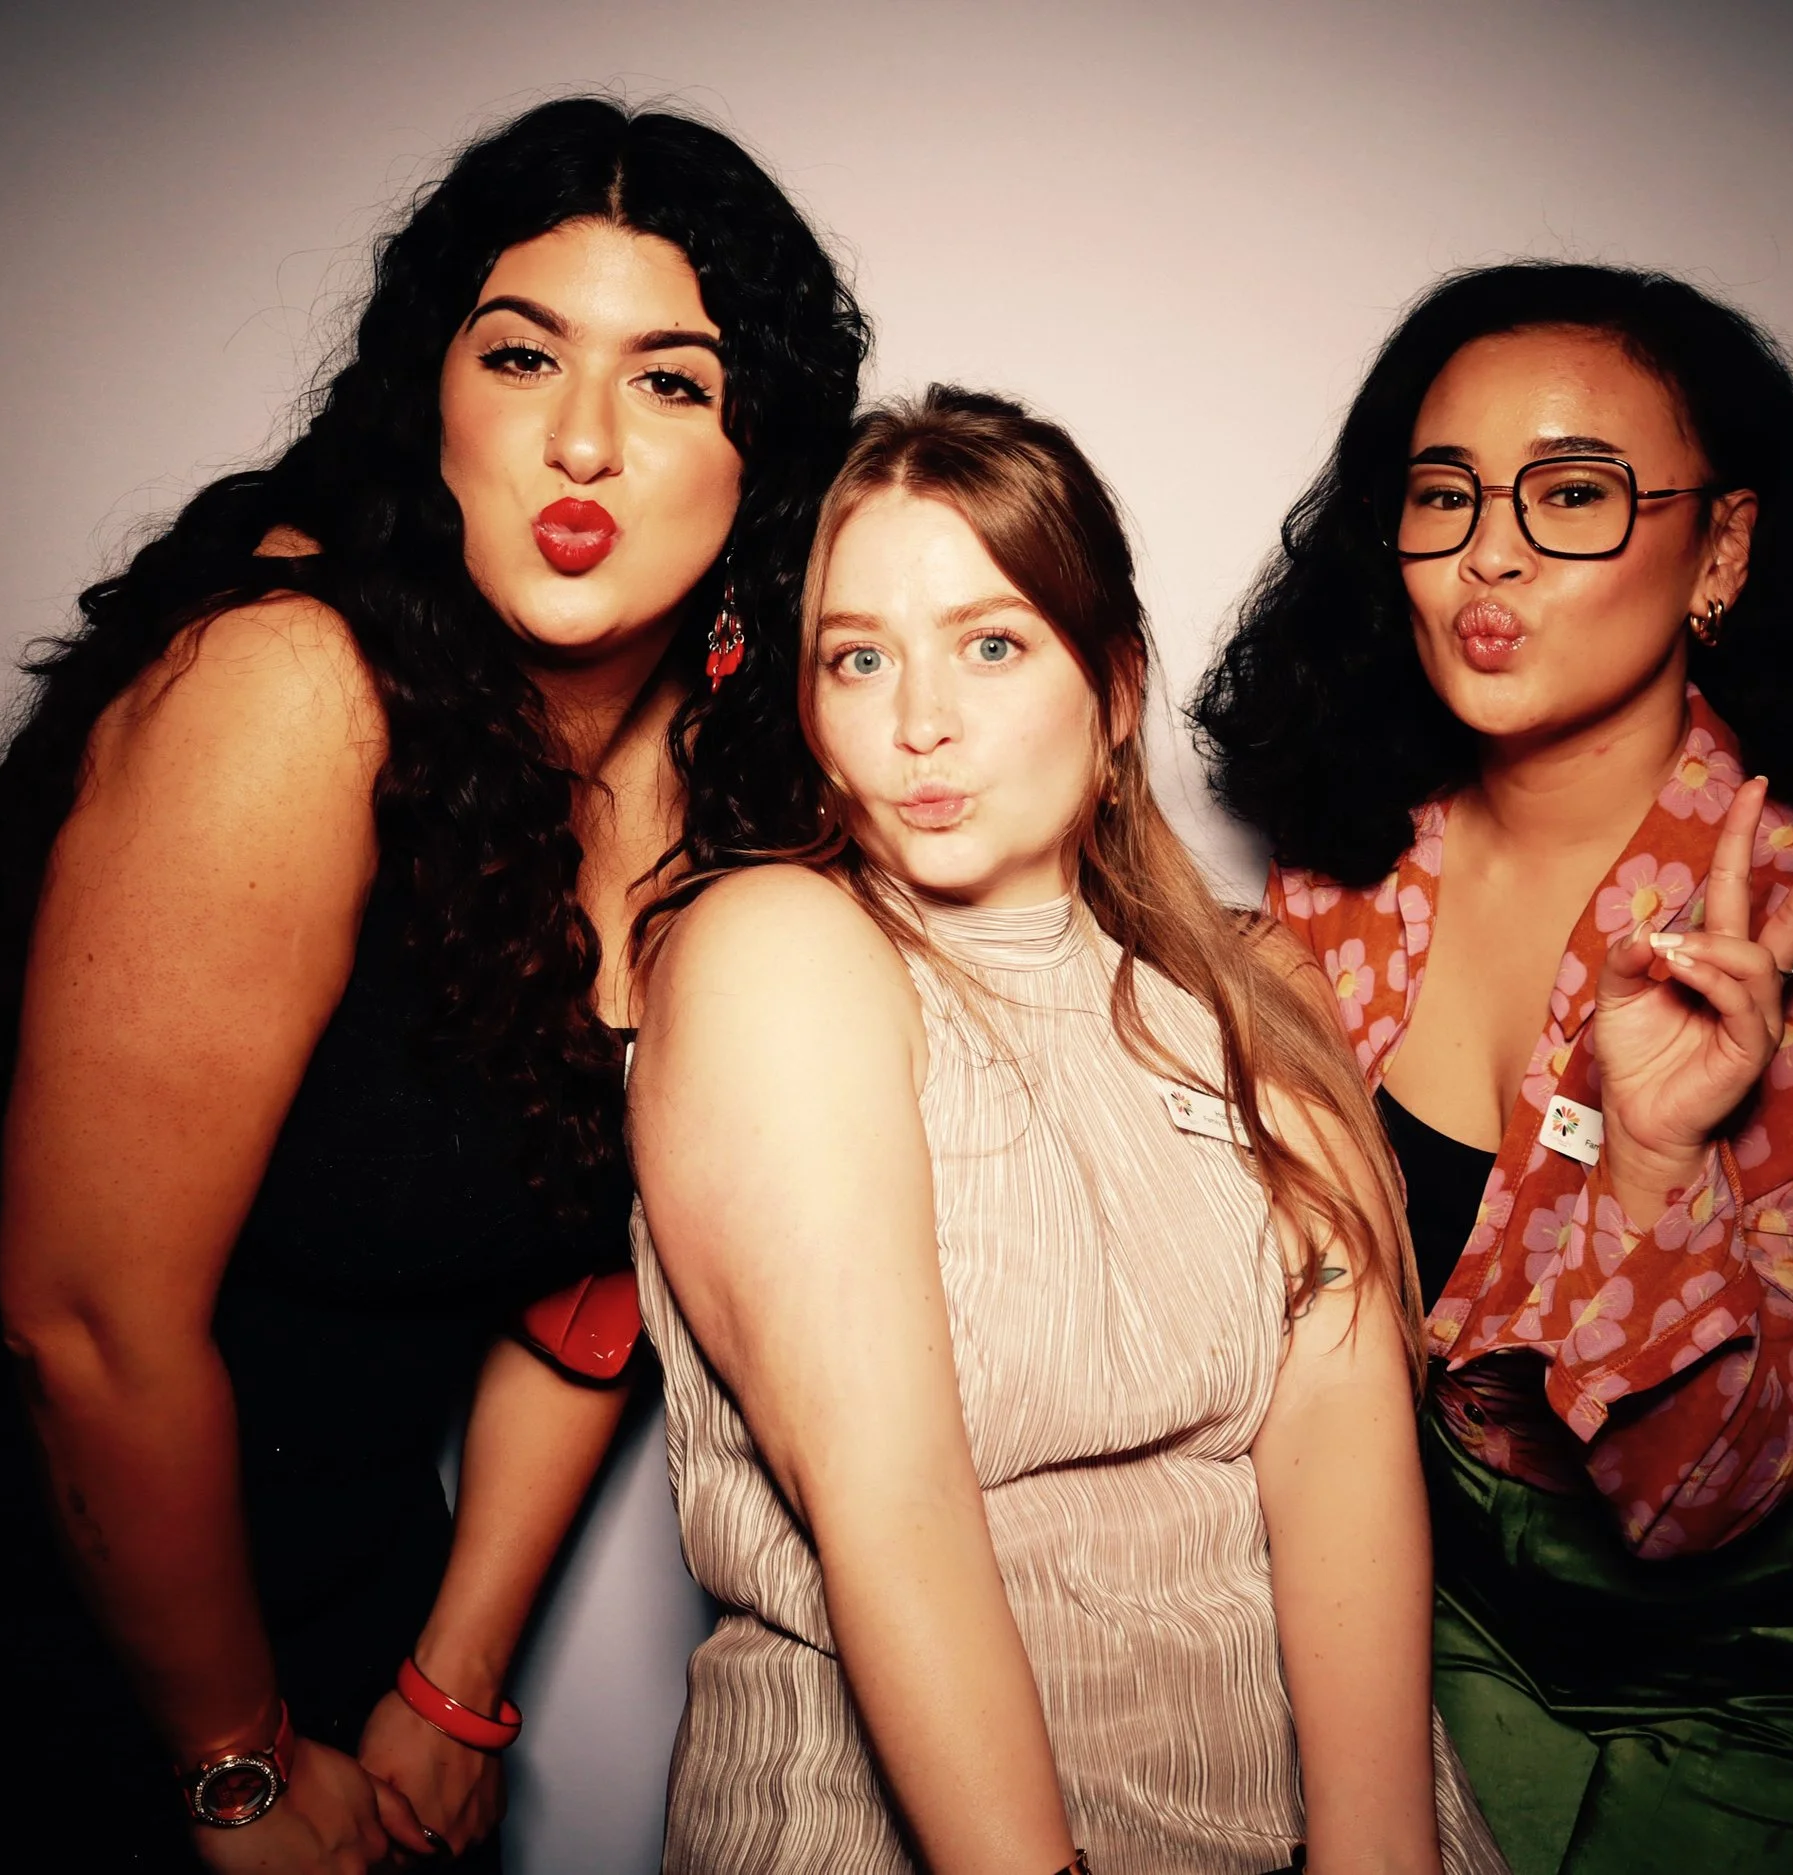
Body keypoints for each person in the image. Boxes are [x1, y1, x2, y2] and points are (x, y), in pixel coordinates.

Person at [0, 97, 865, 1873]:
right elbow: (80, 1319)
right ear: (431, 395)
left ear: (758, 457)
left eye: (673, 382)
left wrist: (458, 1678)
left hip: (309, 1495)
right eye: (522, 352)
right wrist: (230, 1762)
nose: (583, 443)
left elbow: (586, 1274)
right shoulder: (288, 689)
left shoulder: (733, 787)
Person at [1193, 262, 1793, 1873]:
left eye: (1572, 493)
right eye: (1445, 496)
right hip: (1452, 1577)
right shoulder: (1343, 875)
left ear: (1719, 547)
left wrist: (1651, 1159)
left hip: (1768, 1643)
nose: (1491, 551)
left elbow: (1704, 1503)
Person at [629, 387, 1510, 1875]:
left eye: (990, 642)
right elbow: (886, 1497)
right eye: (860, 657)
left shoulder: (1255, 996)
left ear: (1113, 691)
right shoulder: (775, 948)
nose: (920, 720)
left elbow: (1345, 1481)